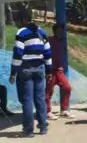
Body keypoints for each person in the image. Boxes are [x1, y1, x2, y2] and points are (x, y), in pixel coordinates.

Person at [9, 10, 52, 138]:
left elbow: (18, 53)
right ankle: (43, 126)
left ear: (22, 20)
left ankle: (28, 130)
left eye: (16, 20)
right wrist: (49, 70)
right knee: (40, 99)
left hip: (25, 70)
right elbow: (48, 53)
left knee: (27, 100)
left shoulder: (21, 33)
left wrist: (13, 72)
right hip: (39, 69)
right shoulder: (42, 32)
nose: (15, 23)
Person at [45, 23, 75, 120]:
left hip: (59, 70)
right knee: (48, 91)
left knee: (67, 88)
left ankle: (64, 110)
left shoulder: (62, 42)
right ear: (54, 31)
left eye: (62, 31)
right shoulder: (49, 40)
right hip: (51, 70)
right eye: (58, 31)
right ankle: (47, 111)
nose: (60, 33)